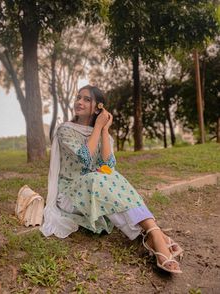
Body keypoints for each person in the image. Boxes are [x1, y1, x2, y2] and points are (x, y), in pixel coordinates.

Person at [40, 85, 183, 274]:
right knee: (96, 179)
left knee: (108, 176)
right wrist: (98, 126)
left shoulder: (101, 133)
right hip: (70, 195)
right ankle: (156, 235)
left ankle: (152, 233)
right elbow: (85, 156)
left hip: (96, 189)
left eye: (86, 99)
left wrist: (104, 130)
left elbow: (109, 165)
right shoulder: (65, 130)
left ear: (98, 107)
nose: (79, 102)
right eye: (78, 98)